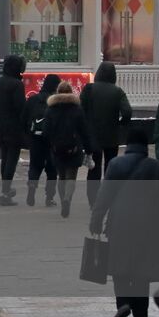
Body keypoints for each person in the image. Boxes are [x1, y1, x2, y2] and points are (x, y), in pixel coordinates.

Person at [88, 125, 159, 317]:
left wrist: (95, 221)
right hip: (149, 226)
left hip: (119, 223)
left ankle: (123, 304)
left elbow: (104, 196)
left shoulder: (115, 164)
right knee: (142, 272)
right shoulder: (156, 167)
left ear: (128, 144)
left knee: (119, 269)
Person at [81, 61, 133, 208]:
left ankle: (93, 201)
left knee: (93, 169)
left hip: (92, 136)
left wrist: (84, 127)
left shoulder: (89, 89)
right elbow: (127, 112)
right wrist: (121, 124)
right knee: (110, 168)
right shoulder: (117, 92)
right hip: (111, 136)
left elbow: (81, 109)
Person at [45, 80, 92, 217]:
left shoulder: (51, 109)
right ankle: (67, 199)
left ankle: (62, 200)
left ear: (58, 92)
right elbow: (84, 131)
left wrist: (51, 143)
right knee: (71, 176)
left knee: (61, 176)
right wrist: (88, 149)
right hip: (74, 148)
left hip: (57, 148)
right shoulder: (77, 109)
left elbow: (46, 131)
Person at [0, 54, 29, 206]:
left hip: (0, 124)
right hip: (13, 126)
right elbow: (20, 107)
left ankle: (5, 189)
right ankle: (6, 191)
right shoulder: (16, 84)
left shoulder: (0, 82)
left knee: (6, 158)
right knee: (12, 159)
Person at [24, 72, 61, 206]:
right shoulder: (56, 101)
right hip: (52, 139)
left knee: (35, 165)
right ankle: (49, 197)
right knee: (52, 168)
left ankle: (32, 188)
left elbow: (24, 118)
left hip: (35, 137)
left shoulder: (33, 99)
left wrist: (28, 134)